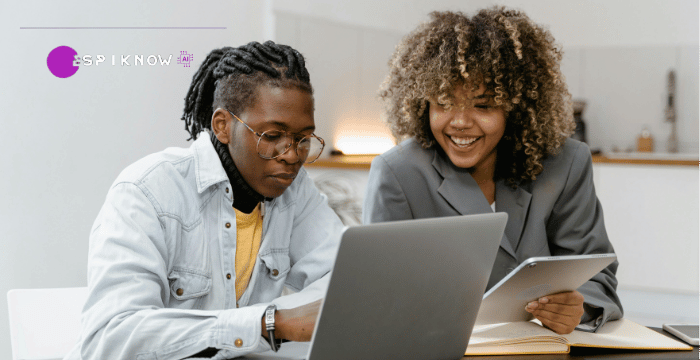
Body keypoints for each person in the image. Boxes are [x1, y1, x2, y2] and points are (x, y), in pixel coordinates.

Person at [64, 41, 345, 360]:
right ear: (223, 125)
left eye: (303, 139)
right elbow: (111, 337)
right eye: (271, 136)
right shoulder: (148, 191)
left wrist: (271, 324)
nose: (292, 155)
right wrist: (268, 324)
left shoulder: (295, 190)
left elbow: (343, 280)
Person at [363, 7, 623, 335]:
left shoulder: (566, 163)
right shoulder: (397, 174)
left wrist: (577, 306)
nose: (459, 122)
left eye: (483, 105)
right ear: (422, 102)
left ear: (515, 106)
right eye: (443, 102)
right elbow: (378, 296)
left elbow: (597, 273)